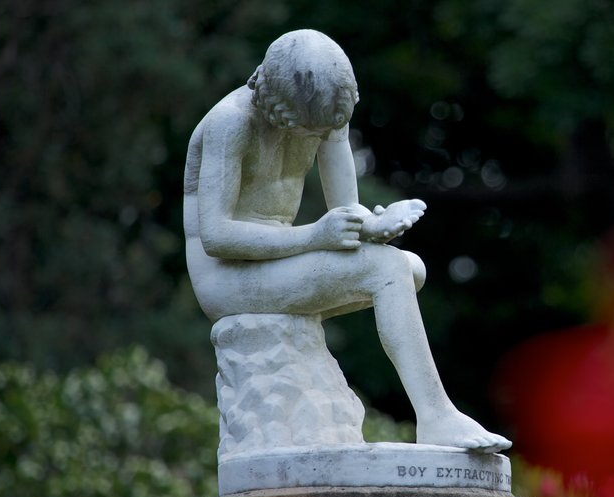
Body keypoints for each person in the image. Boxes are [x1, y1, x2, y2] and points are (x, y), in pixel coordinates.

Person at [183, 30, 510, 453]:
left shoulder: (326, 114)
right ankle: (436, 416)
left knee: (410, 268)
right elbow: (217, 236)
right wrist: (316, 235)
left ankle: (438, 416)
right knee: (388, 270)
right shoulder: (232, 122)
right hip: (227, 279)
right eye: (305, 128)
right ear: (276, 102)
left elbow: (346, 213)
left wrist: (372, 227)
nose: (316, 137)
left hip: (277, 259)